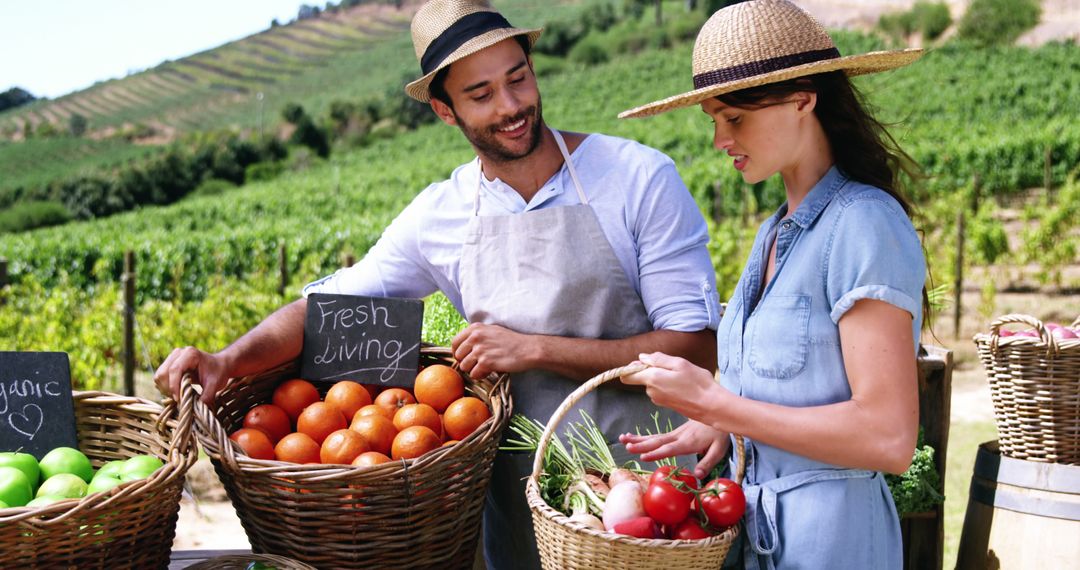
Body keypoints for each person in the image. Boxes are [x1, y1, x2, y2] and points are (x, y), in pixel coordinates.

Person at [155, 1, 720, 568]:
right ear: (446, 112)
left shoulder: (638, 178)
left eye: (518, 79)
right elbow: (329, 305)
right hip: (522, 498)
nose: (511, 105)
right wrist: (226, 360)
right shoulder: (441, 214)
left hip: (649, 494)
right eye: (480, 95)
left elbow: (696, 348)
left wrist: (534, 350)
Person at [615, 1, 927, 569]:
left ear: (803, 97)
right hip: (760, 540)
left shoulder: (864, 223)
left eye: (734, 118)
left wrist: (721, 404)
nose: (719, 140)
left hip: (833, 547)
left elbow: (888, 437)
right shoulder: (773, 234)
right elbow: (783, 398)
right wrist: (715, 424)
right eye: (713, 120)